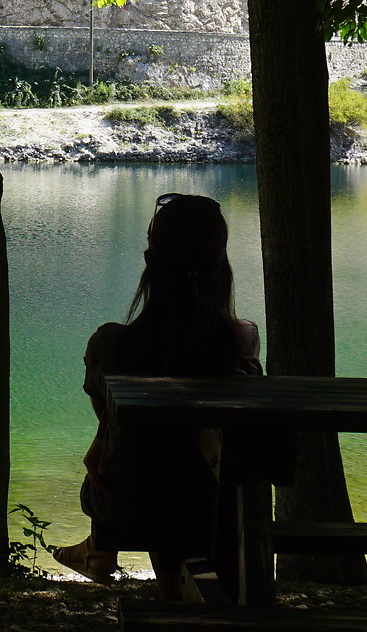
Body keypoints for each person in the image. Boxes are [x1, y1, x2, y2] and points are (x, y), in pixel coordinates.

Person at [54, 191, 264, 601]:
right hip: (219, 505)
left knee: (141, 471)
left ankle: (101, 552)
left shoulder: (111, 345)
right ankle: (108, 559)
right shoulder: (241, 342)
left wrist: (98, 447)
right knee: (179, 474)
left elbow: (112, 420)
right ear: (220, 263)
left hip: (133, 503)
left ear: (150, 259)